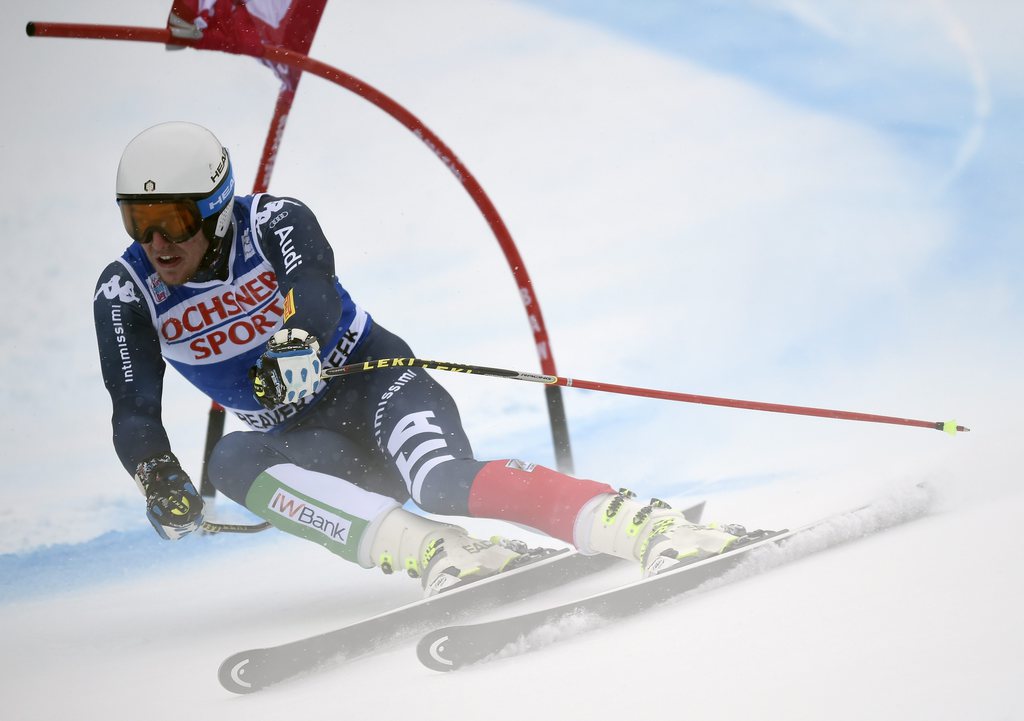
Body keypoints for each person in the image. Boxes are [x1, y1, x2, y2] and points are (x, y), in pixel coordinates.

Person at [94, 121, 750, 595]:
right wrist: (155, 474)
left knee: (437, 479)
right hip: (308, 445)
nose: (155, 241)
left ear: (212, 205)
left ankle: (637, 521)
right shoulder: (126, 290)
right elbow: (133, 408)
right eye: (136, 221)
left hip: (376, 386)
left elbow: (314, 293)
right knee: (230, 460)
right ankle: (438, 550)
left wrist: (297, 346)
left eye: (171, 220)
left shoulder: (274, 220)